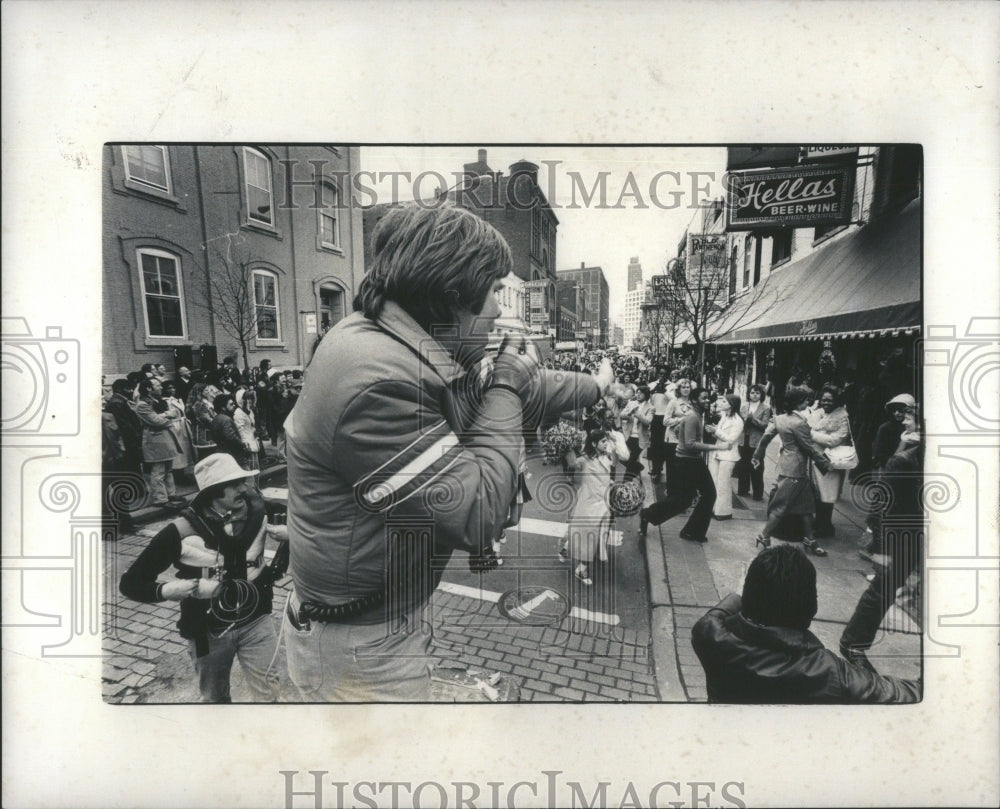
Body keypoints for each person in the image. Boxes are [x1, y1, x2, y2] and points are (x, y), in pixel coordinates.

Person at [282, 202, 612, 701]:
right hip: (359, 647)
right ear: (453, 292)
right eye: (495, 290)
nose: (500, 308)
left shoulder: (408, 345)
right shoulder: (376, 380)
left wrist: (596, 384)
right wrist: (505, 385)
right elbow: (477, 512)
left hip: (378, 626)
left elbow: (525, 387)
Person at [119, 454, 287, 703]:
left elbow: (309, 525)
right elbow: (131, 583)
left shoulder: (262, 511)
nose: (244, 488)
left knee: (269, 693)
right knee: (214, 698)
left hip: (257, 620)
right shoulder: (179, 532)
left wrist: (290, 540)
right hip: (208, 630)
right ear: (213, 493)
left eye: (244, 481)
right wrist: (166, 590)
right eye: (235, 484)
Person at [691, 544, 921, 703]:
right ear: (811, 609)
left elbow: (719, 611)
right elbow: (912, 694)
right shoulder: (831, 672)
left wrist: (746, 590)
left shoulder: (708, 634)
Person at [840, 411, 923, 673]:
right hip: (902, 538)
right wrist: (881, 549)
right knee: (883, 590)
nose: (906, 423)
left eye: (912, 419)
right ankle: (853, 644)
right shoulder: (903, 461)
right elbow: (879, 506)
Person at [751, 386, 832, 556]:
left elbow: (765, 439)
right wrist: (825, 463)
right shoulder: (799, 423)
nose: (807, 403)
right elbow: (808, 447)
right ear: (799, 402)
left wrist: (757, 455)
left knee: (806, 507)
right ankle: (764, 535)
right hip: (796, 470)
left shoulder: (780, 418)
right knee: (781, 506)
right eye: (805, 400)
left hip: (789, 467)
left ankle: (810, 539)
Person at [639, 385, 720, 543]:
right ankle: (649, 515)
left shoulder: (699, 415)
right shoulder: (692, 417)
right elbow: (690, 444)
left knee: (689, 499)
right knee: (686, 499)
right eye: (704, 398)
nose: (707, 400)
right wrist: (716, 447)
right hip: (686, 461)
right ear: (695, 400)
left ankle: (690, 531)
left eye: (708, 397)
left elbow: (678, 431)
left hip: (691, 460)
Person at [557, 428, 625, 585]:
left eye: (606, 440)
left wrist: (612, 484)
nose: (606, 443)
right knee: (589, 535)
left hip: (603, 502)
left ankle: (568, 551)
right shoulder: (585, 459)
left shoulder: (607, 456)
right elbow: (572, 464)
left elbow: (605, 475)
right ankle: (581, 569)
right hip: (588, 503)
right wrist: (566, 445)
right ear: (594, 443)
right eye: (603, 441)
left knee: (592, 534)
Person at [807, 384, 852, 539]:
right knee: (817, 494)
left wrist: (813, 434)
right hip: (815, 458)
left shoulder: (842, 417)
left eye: (830, 400)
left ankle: (825, 526)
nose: (826, 403)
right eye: (823, 400)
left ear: (837, 401)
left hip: (831, 461)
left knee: (827, 495)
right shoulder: (818, 413)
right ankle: (818, 522)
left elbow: (836, 439)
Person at [134, 378, 185, 508]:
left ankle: (171, 494)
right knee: (158, 471)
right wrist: (169, 416)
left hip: (165, 438)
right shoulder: (142, 405)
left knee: (168, 469)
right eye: (157, 385)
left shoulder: (158, 401)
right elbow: (157, 421)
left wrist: (165, 415)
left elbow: (176, 413)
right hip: (156, 441)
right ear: (148, 388)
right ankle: (160, 499)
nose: (161, 387)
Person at [706, 394, 744, 520]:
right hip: (718, 452)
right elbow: (720, 435)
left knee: (723, 483)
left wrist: (716, 431)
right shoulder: (724, 416)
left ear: (731, 405)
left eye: (724, 401)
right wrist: (713, 431)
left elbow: (731, 439)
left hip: (728, 455)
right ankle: (714, 508)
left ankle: (723, 512)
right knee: (714, 481)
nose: (721, 403)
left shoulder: (738, 421)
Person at [736, 384, 771, 501]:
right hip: (743, 440)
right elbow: (739, 421)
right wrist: (745, 420)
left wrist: (753, 419)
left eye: (757, 393)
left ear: (761, 395)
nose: (754, 395)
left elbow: (764, 425)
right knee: (743, 465)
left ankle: (757, 493)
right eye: (752, 393)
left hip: (756, 441)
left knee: (757, 466)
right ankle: (743, 489)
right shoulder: (744, 406)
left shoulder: (765, 408)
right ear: (748, 394)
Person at [105, 378, 144, 477]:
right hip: (127, 442)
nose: (131, 391)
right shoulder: (117, 403)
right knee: (130, 467)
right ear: (119, 389)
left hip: (128, 441)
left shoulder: (121, 401)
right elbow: (124, 425)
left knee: (133, 467)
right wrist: (136, 436)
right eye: (128, 389)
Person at [661, 377, 693, 491]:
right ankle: (671, 492)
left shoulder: (693, 403)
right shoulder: (673, 402)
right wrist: (680, 419)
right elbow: (665, 421)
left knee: (685, 468)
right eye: (683, 387)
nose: (686, 389)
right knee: (672, 468)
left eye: (688, 387)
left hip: (687, 439)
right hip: (673, 439)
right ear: (678, 389)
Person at [162, 380, 196, 484]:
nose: (172, 390)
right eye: (169, 388)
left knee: (186, 450)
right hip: (175, 426)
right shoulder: (165, 401)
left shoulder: (177, 399)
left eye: (173, 388)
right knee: (179, 451)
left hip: (183, 425)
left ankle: (183, 472)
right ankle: (178, 474)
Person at [211, 392, 249, 469]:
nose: (234, 405)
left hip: (224, 453)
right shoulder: (226, 419)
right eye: (231, 404)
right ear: (223, 407)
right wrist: (242, 444)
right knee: (247, 475)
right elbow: (231, 437)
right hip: (234, 454)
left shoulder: (216, 419)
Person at [233, 388, 261, 475]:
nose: (249, 401)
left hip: (253, 442)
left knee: (256, 469)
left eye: (250, 398)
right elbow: (239, 431)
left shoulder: (249, 411)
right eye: (247, 399)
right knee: (250, 470)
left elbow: (252, 425)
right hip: (247, 446)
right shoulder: (238, 413)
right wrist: (245, 445)